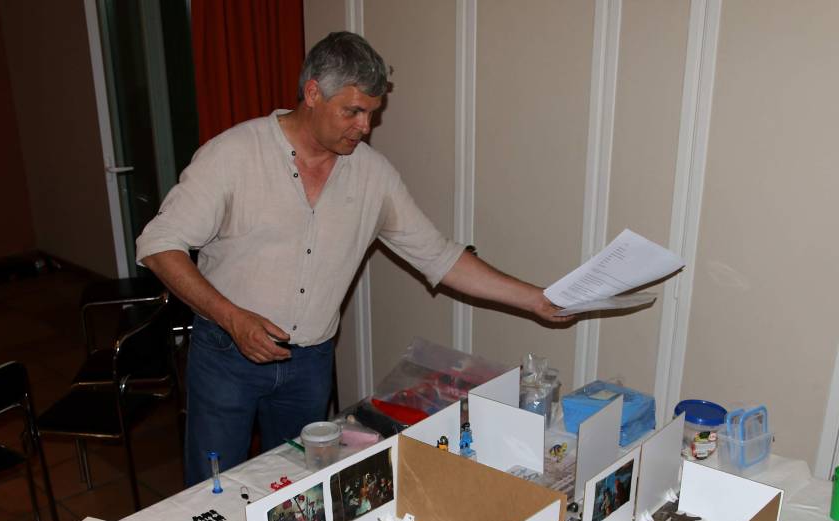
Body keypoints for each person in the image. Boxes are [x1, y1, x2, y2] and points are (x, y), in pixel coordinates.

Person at [137, 32, 570, 486]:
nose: (365, 127)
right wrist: (232, 317)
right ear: (312, 93)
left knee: (299, 491)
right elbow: (158, 245)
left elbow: (440, 256)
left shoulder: (372, 176)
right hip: (226, 353)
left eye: (371, 114)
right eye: (353, 111)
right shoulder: (232, 155)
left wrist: (537, 299)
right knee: (213, 490)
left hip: (309, 365)